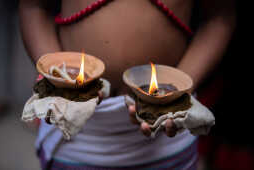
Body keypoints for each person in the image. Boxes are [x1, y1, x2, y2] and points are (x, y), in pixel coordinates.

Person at [19, 0, 236, 169]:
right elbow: (34, 7)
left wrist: (177, 92)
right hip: (75, 133)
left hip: (168, 133)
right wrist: (57, 77)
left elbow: (218, 17)